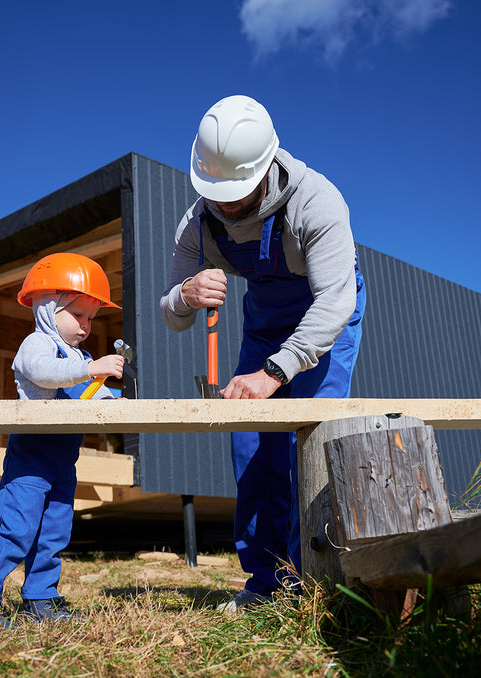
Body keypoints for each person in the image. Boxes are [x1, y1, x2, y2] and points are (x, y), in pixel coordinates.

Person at [160, 95, 365, 612]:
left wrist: (275, 371)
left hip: (325, 321)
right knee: (252, 443)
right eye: (216, 193)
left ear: (267, 167)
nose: (225, 206)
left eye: (237, 193)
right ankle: (266, 582)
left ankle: (316, 578)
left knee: (313, 440)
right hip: (265, 320)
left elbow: (335, 300)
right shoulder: (199, 224)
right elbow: (171, 314)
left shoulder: (317, 201)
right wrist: (185, 294)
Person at [0, 252, 125, 630]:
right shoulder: (38, 344)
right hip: (31, 457)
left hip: (63, 461)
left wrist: (118, 401)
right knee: (17, 528)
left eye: (91, 318)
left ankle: (40, 599)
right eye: (77, 314)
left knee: (54, 532)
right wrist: (92, 368)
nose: (85, 325)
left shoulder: (79, 357)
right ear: (49, 308)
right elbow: (44, 374)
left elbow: (93, 397)